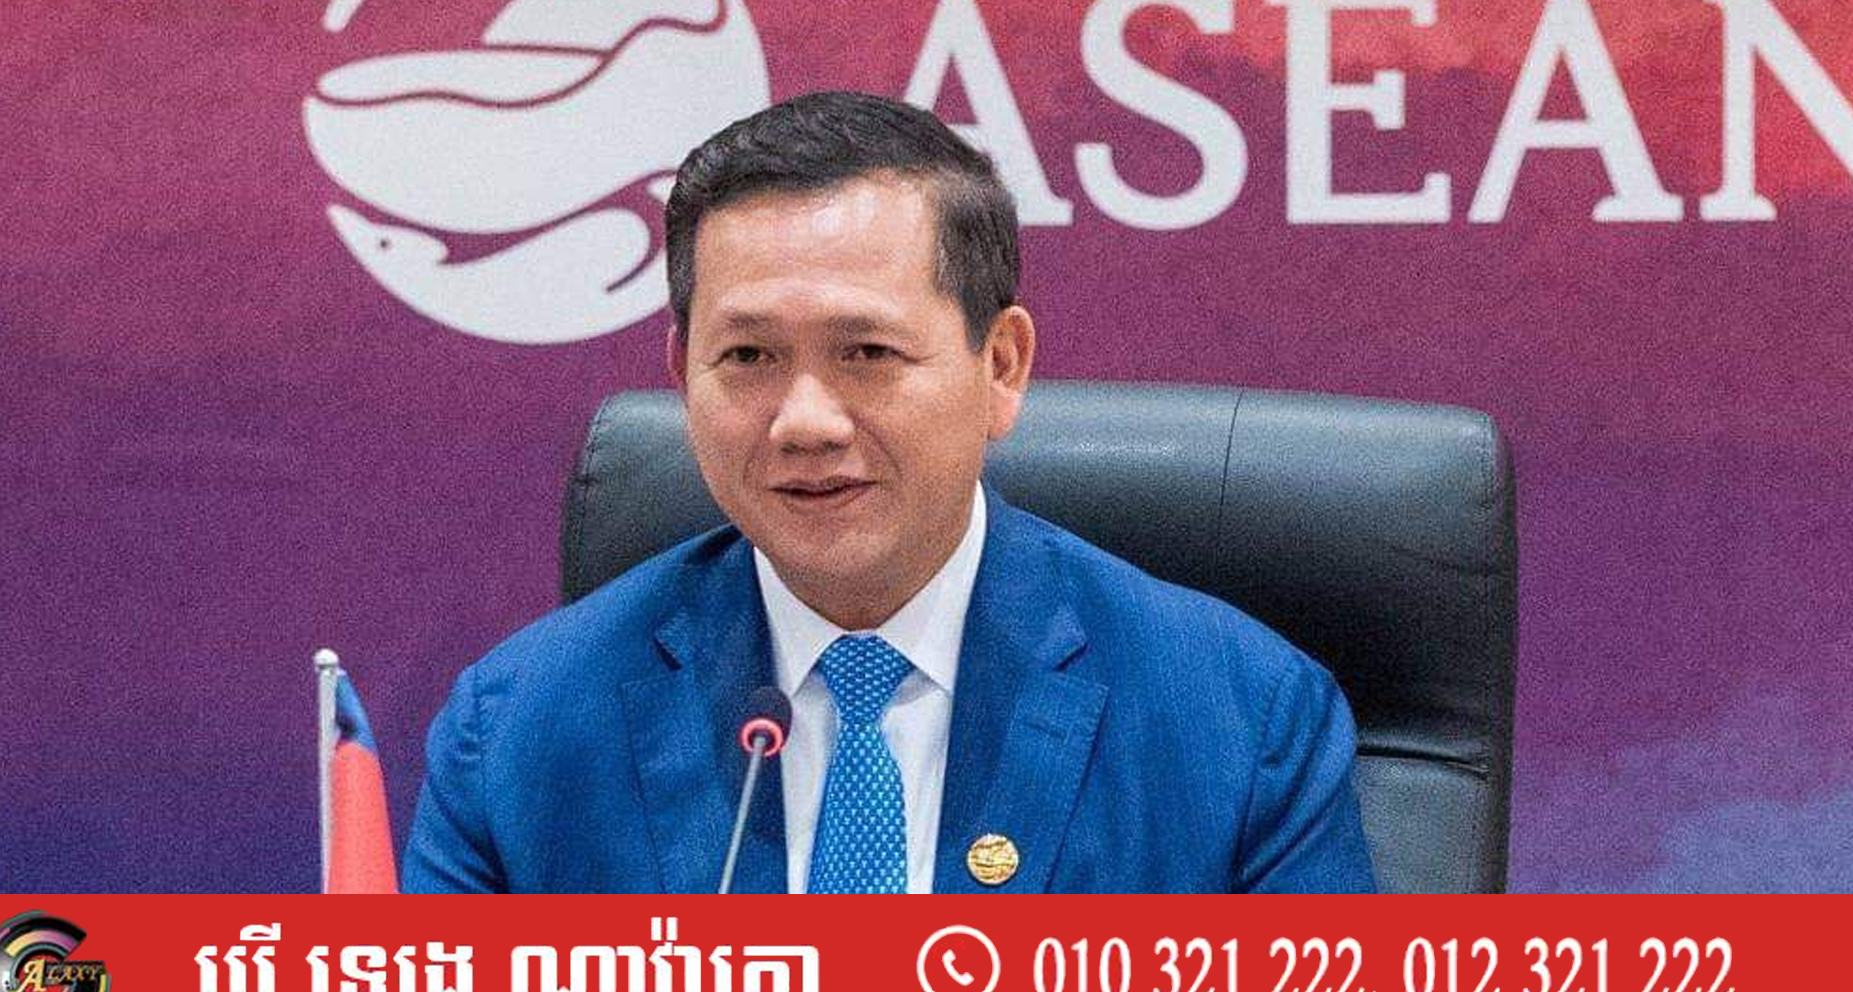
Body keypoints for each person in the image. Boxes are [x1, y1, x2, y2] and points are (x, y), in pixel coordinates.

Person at [402, 91, 1376, 893]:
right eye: (748, 357)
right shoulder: (519, 733)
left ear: (1001, 366)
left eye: (866, 353)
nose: (804, 422)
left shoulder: (1240, 722)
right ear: (681, 374)